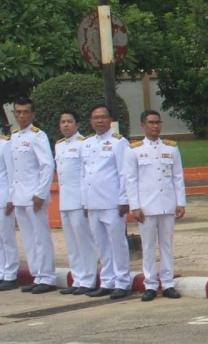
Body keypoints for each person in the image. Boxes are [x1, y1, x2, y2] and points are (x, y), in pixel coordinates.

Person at [125, 111, 187, 301]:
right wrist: (135, 206)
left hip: (167, 204)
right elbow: (131, 180)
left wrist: (180, 202)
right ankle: (150, 284)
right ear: (143, 125)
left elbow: (178, 176)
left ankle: (168, 283)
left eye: (157, 122)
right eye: (151, 123)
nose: (155, 126)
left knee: (167, 245)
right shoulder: (134, 149)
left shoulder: (171, 148)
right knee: (149, 246)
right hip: (146, 206)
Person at [6, 97, 57, 293]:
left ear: (32, 114)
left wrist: (40, 192)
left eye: (25, 112)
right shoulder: (15, 137)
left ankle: (47, 277)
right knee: (28, 238)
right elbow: (13, 171)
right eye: (18, 112)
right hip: (19, 195)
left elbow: (47, 165)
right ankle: (37, 275)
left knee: (40, 237)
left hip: (34, 194)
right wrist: (11, 195)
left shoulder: (38, 135)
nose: (21, 115)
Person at [81, 105, 133, 300]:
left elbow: (124, 173)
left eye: (103, 117)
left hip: (112, 202)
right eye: (95, 118)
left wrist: (123, 199)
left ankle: (122, 281)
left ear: (110, 120)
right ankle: (107, 281)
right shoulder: (86, 143)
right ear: (90, 121)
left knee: (117, 243)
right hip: (93, 202)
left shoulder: (119, 142)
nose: (99, 121)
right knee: (101, 244)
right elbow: (83, 175)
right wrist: (85, 202)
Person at [55, 110, 96, 294]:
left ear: (77, 125)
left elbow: (86, 174)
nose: (65, 125)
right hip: (65, 200)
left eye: (69, 121)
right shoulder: (59, 145)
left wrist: (86, 201)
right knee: (72, 244)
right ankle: (78, 279)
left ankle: (88, 280)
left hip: (79, 200)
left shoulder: (83, 144)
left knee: (84, 242)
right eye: (63, 122)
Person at [0, 127, 18, 291]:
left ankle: (10, 274)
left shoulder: (5, 144)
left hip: (3, 197)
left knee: (7, 238)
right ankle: (1, 272)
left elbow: (12, 173)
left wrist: (12, 198)